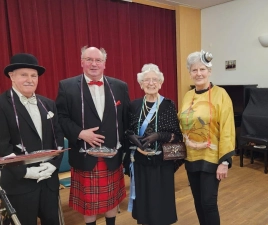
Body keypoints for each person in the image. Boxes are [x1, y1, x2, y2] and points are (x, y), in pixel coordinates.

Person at [55, 46, 130, 225]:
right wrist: (80, 133)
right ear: (82, 62)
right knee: (88, 205)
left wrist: (127, 151)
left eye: (98, 60)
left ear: (104, 64)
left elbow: (126, 118)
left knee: (112, 200)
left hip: (112, 156)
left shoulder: (120, 86)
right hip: (84, 155)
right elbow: (61, 118)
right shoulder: (67, 86)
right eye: (89, 59)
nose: (94, 64)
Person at [0, 53, 64, 225]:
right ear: (11, 76)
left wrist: (53, 165)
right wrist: (26, 172)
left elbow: (57, 137)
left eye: (33, 75)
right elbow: (2, 146)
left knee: (52, 221)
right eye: (24, 75)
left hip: (48, 180)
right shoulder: (2, 105)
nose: (30, 79)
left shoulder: (48, 104)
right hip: (19, 183)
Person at [178, 50, 235, 225]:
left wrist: (224, 162)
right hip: (192, 156)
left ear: (209, 71)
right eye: (194, 70)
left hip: (211, 158)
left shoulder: (221, 94)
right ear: (190, 73)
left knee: (209, 203)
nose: (199, 74)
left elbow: (228, 128)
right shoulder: (188, 95)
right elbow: (182, 123)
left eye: (202, 69)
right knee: (198, 202)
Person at [124, 63, 183, 225]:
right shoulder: (134, 105)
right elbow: (127, 130)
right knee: (144, 201)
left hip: (161, 162)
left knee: (160, 201)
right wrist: (134, 140)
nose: (151, 83)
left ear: (161, 83)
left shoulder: (168, 105)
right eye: (146, 80)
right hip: (140, 163)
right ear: (141, 84)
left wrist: (158, 136)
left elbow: (176, 135)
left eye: (154, 80)